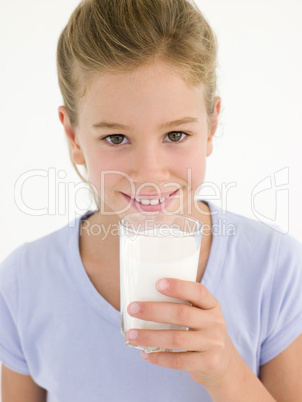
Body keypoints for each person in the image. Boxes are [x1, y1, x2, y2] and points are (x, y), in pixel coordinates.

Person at [0, 0, 301, 400]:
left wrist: (226, 372)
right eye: (116, 138)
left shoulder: (274, 268)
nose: (150, 173)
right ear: (73, 138)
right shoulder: (25, 281)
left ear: (211, 126)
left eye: (175, 135)